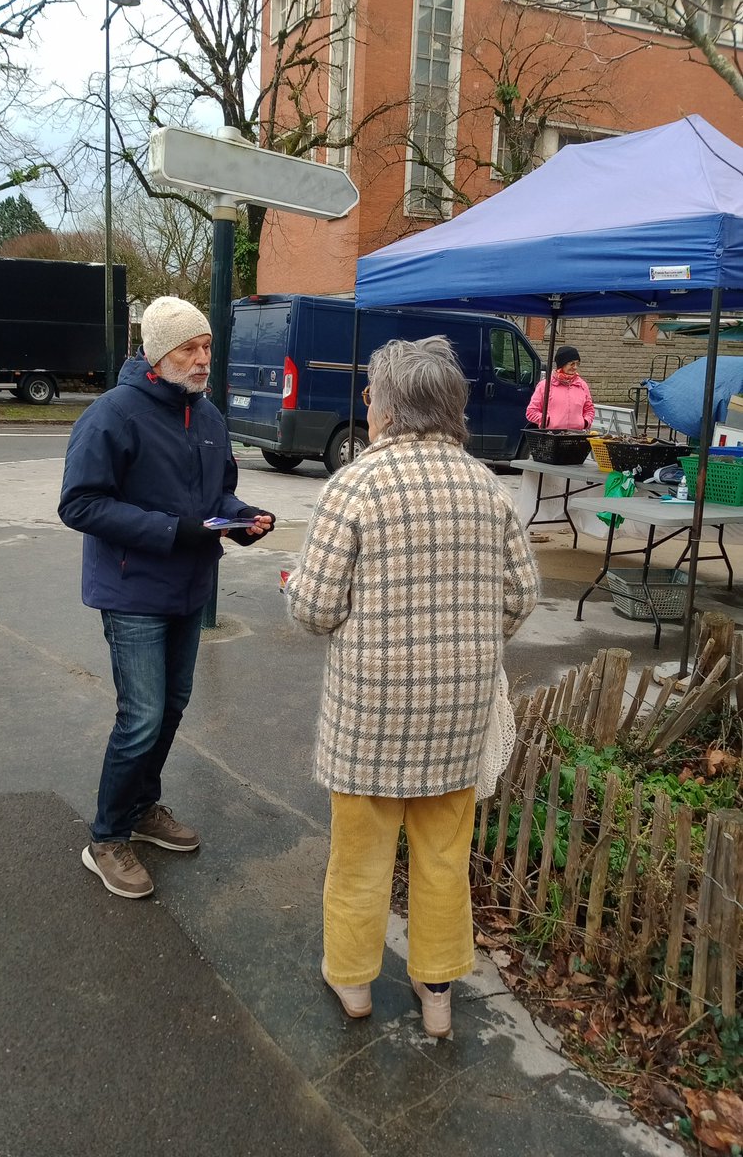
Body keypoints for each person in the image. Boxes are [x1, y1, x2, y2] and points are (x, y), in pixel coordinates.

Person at [286, 336, 538, 1037]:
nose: (367, 406)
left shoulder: (355, 486)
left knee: (360, 860)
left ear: (390, 409)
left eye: (371, 395)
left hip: (369, 714)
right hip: (457, 716)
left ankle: (355, 984)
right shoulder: (488, 487)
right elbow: (521, 596)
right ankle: (436, 995)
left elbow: (313, 609)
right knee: (442, 859)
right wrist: (468, 644)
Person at [59, 296, 275, 899]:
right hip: (132, 589)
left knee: (172, 709)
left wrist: (243, 517)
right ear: (157, 355)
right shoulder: (112, 415)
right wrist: (169, 530)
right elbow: (79, 504)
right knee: (142, 717)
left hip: (189, 588)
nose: (203, 358)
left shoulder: (206, 417)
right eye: (189, 348)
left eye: (207, 346)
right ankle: (106, 837)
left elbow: (218, 496)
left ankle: (144, 807)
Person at [525, 344, 594, 431]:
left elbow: (589, 409)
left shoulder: (582, 385)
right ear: (562, 364)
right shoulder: (545, 385)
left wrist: (585, 422)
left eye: (577, 363)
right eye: (572, 364)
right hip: (551, 436)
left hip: (576, 436)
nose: (575, 367)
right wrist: (547, 421)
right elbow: (531, 412)